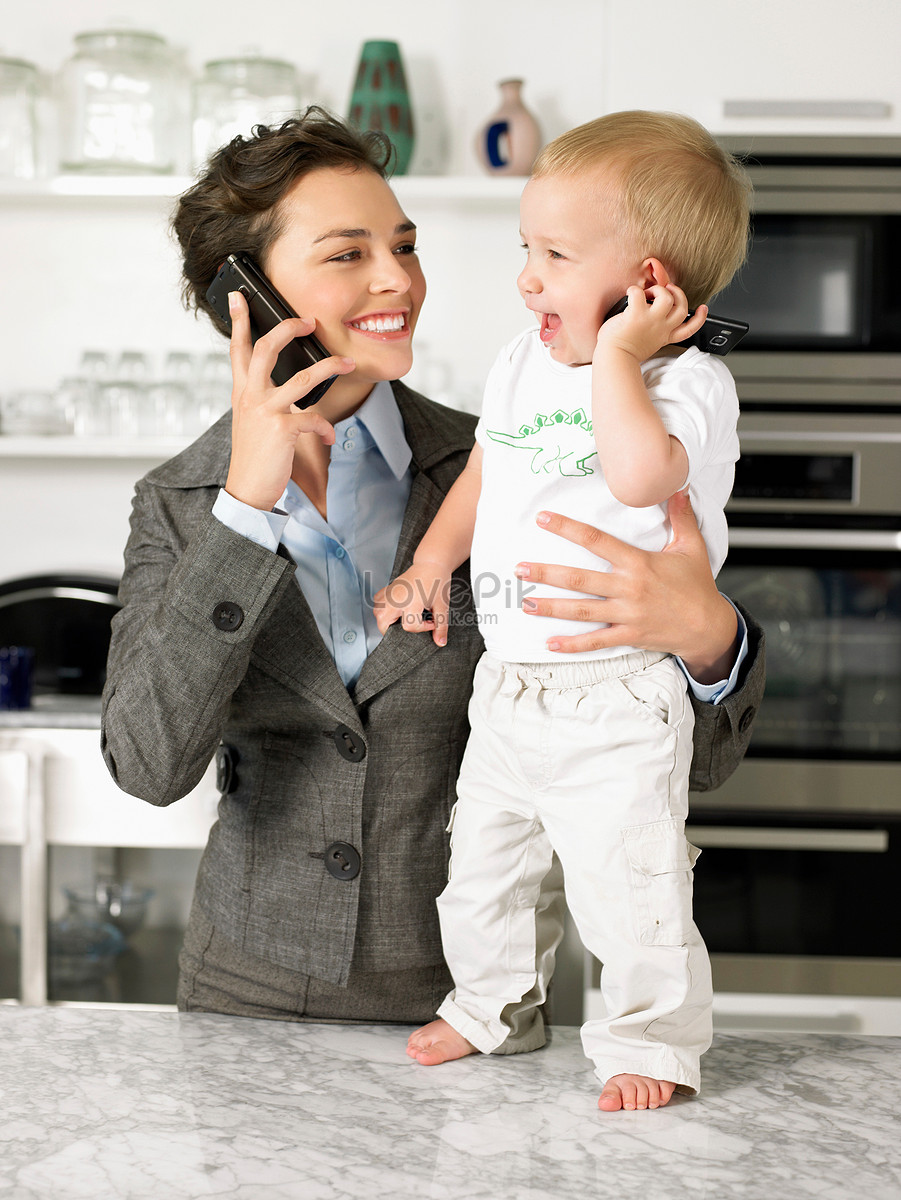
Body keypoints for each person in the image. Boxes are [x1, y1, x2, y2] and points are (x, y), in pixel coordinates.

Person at [99, 109, 762, 1065]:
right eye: (347, 254)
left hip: (485, 1019)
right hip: (246, 1006)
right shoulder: (181, 505)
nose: (397, 281)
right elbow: (146, 765)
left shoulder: (520, 453)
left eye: (404, 245)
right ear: (245, 297)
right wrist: (244, 506)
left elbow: (678, 769)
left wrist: (710, 643)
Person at [375, 110, 752, 1111]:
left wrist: (621, 358)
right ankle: (491, 1005)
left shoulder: (688, 382)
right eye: (525, 250)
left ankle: (650, 1044)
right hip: (509, 681)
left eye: (554, 254)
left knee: (628, 889)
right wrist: (429, 562)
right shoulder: (520, 362)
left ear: (649, 288)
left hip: (616, 689)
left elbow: (636, 479)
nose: (526, 278)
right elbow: (489, 470)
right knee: (483, 872)